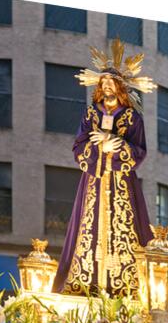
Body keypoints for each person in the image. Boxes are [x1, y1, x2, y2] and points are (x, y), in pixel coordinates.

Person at [52, 40, 155, 296]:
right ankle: (85, 281)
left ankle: (127, 285)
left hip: (122, 185)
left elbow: (139, 152)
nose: (106, 86)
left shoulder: (132, 118)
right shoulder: (90, 114)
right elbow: (79, 147)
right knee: (87, 228)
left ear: (120, 87)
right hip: (94, 182)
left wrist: (117, 144)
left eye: (111, 83)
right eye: (103, 83)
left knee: (126, 228)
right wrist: (100, 149)